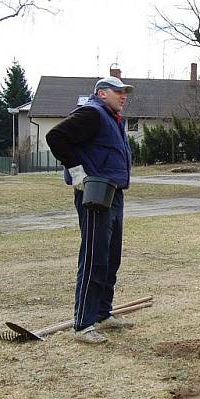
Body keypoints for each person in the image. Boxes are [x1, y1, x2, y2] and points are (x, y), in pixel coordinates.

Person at [46, 76, 135, 344]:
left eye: (125, 92)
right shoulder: (92, 113)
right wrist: (76, 172)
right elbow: (56, 137)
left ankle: (102, 314)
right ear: (101, 93)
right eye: (118, 91)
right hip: (95, 193)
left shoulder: (112, 118)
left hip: (114, 192)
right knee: (95, 255)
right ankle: (84, 324)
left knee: (111, 255)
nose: (123, 96)